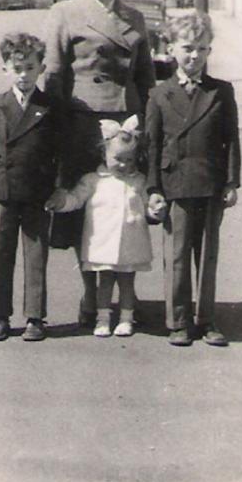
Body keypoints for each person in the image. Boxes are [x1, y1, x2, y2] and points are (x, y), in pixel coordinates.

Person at [43, 0, 156, 328]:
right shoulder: (65, 12)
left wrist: (149, 122)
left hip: (127, 123)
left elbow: (146, 77)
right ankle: (92, 294)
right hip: (82, 122)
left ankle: (125, 290)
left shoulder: (135, 18)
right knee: (88, 209)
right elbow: (54, 73)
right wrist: (52, 124)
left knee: (127, 208)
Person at [145, 12, 241, 347]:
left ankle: (207, 320)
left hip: (210, 183)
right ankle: (179, 321)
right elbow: (153, 145)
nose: (194, 55)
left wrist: (231, 182)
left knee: (208, 253)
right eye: (187, 47)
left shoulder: (221, 92)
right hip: (175, 184)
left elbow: (231, 140)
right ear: (171, 48)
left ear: (209, 51)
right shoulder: (159, 95)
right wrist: (153, 189)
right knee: (177, 254)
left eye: (202, 48)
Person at [0, 33, 62, 342]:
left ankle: (35, 317)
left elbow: (60, 150)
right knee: (1, 254)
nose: (23, 75)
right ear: (5, 69)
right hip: (3, 192)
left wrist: (58, 188)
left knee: (36, 256)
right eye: (17, 68)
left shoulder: (50, 106)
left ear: (41, 68)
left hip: (38, 193)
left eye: (30, 68)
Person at [45, 116, 160, 337]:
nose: (124, 164)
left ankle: (126, 319)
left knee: (127, 283)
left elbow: (148, 205)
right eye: (118, 159)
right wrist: (61, 203)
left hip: (130, 244)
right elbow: (76, 199)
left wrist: (155, 210)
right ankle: (103, 318)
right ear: (104, 154)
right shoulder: (93, 180)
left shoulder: (139, 181)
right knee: (104, 282)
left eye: (130, 159)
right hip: (103, 243)